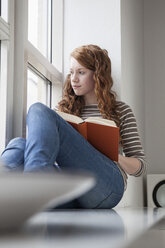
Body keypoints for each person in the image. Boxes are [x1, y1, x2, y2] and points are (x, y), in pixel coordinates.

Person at [0, 44, 146, 209]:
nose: (73, 79)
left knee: (38, 110)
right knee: (19, 144)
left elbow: (140, 167)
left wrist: (114, 155)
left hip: (107, 187)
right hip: (72, 190)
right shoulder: (62, 111)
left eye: (81, 72)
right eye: (71, 72)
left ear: (98, 75)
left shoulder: (121, 110)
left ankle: (34, 183)